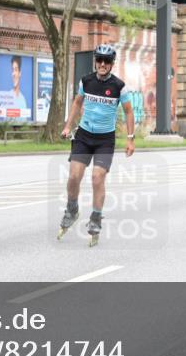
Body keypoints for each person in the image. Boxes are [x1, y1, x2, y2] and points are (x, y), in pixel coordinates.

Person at [58, 44, 135, 247]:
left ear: (111, 64)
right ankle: (72, 209)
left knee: (97, 177)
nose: (102, 64)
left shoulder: (119, 87)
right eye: (99, 60)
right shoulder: (86, 81)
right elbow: (76, 103)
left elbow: (128, 111)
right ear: (95, 62)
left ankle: (96, 217)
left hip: (104, 139)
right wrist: (67, 127)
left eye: (106, 61)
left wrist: (130, 138)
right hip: (83, 136)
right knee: (74, 176)